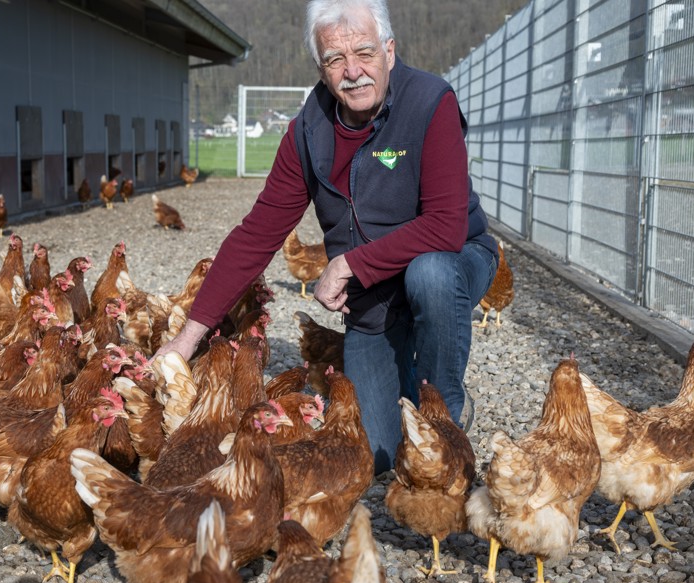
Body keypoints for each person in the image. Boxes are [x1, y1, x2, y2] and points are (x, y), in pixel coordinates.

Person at [158, 0, 497, 475]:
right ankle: (408, 389)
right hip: (375, 296)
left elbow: (445, 225)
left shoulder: (429, 103)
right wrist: (187, 338)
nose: (353, 71)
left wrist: (348, 264)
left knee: (432, 274)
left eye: (364, 52)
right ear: (320, 68)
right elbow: (258, 232)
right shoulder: (307, 132)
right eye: (336, 60)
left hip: (454, 259)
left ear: (390, 50)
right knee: (377, 457)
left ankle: (445, 414)